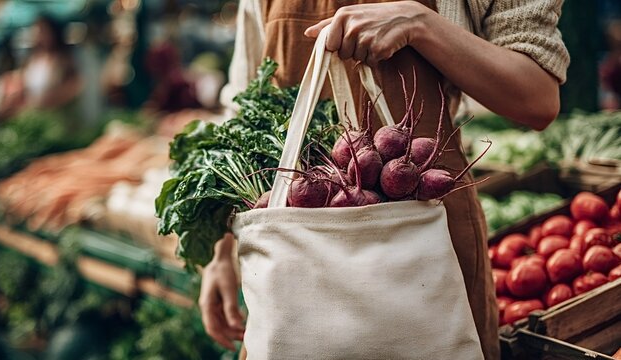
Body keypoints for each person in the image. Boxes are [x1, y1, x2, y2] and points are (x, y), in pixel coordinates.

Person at [200, 1, 569, 359]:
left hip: (426, 238)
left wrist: (421, 25)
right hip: (292, 251)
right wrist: (219, 252)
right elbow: (244, 106)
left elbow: (537, 97)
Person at [0, 14, 81, 119]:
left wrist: (48, 102)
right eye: (37, 31)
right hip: (31, 115)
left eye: (43, 31)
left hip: (53, 116)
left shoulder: (64, 60)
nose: (39, 35)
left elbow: (75, 86)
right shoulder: (30, 59)